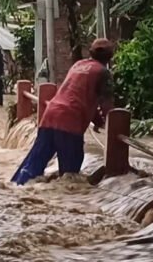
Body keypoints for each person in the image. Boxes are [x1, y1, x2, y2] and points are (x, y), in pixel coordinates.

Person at [11, 38, 115, 185]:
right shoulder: (103, 73)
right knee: (70, 175)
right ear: (110, 56)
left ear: (90, 52)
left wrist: (97, 120)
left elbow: (80, 94)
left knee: (34, 163)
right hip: (70, 122)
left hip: (50, 115)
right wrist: (111, 125)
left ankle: (17, 187)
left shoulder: (78, 65)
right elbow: (105, 104)